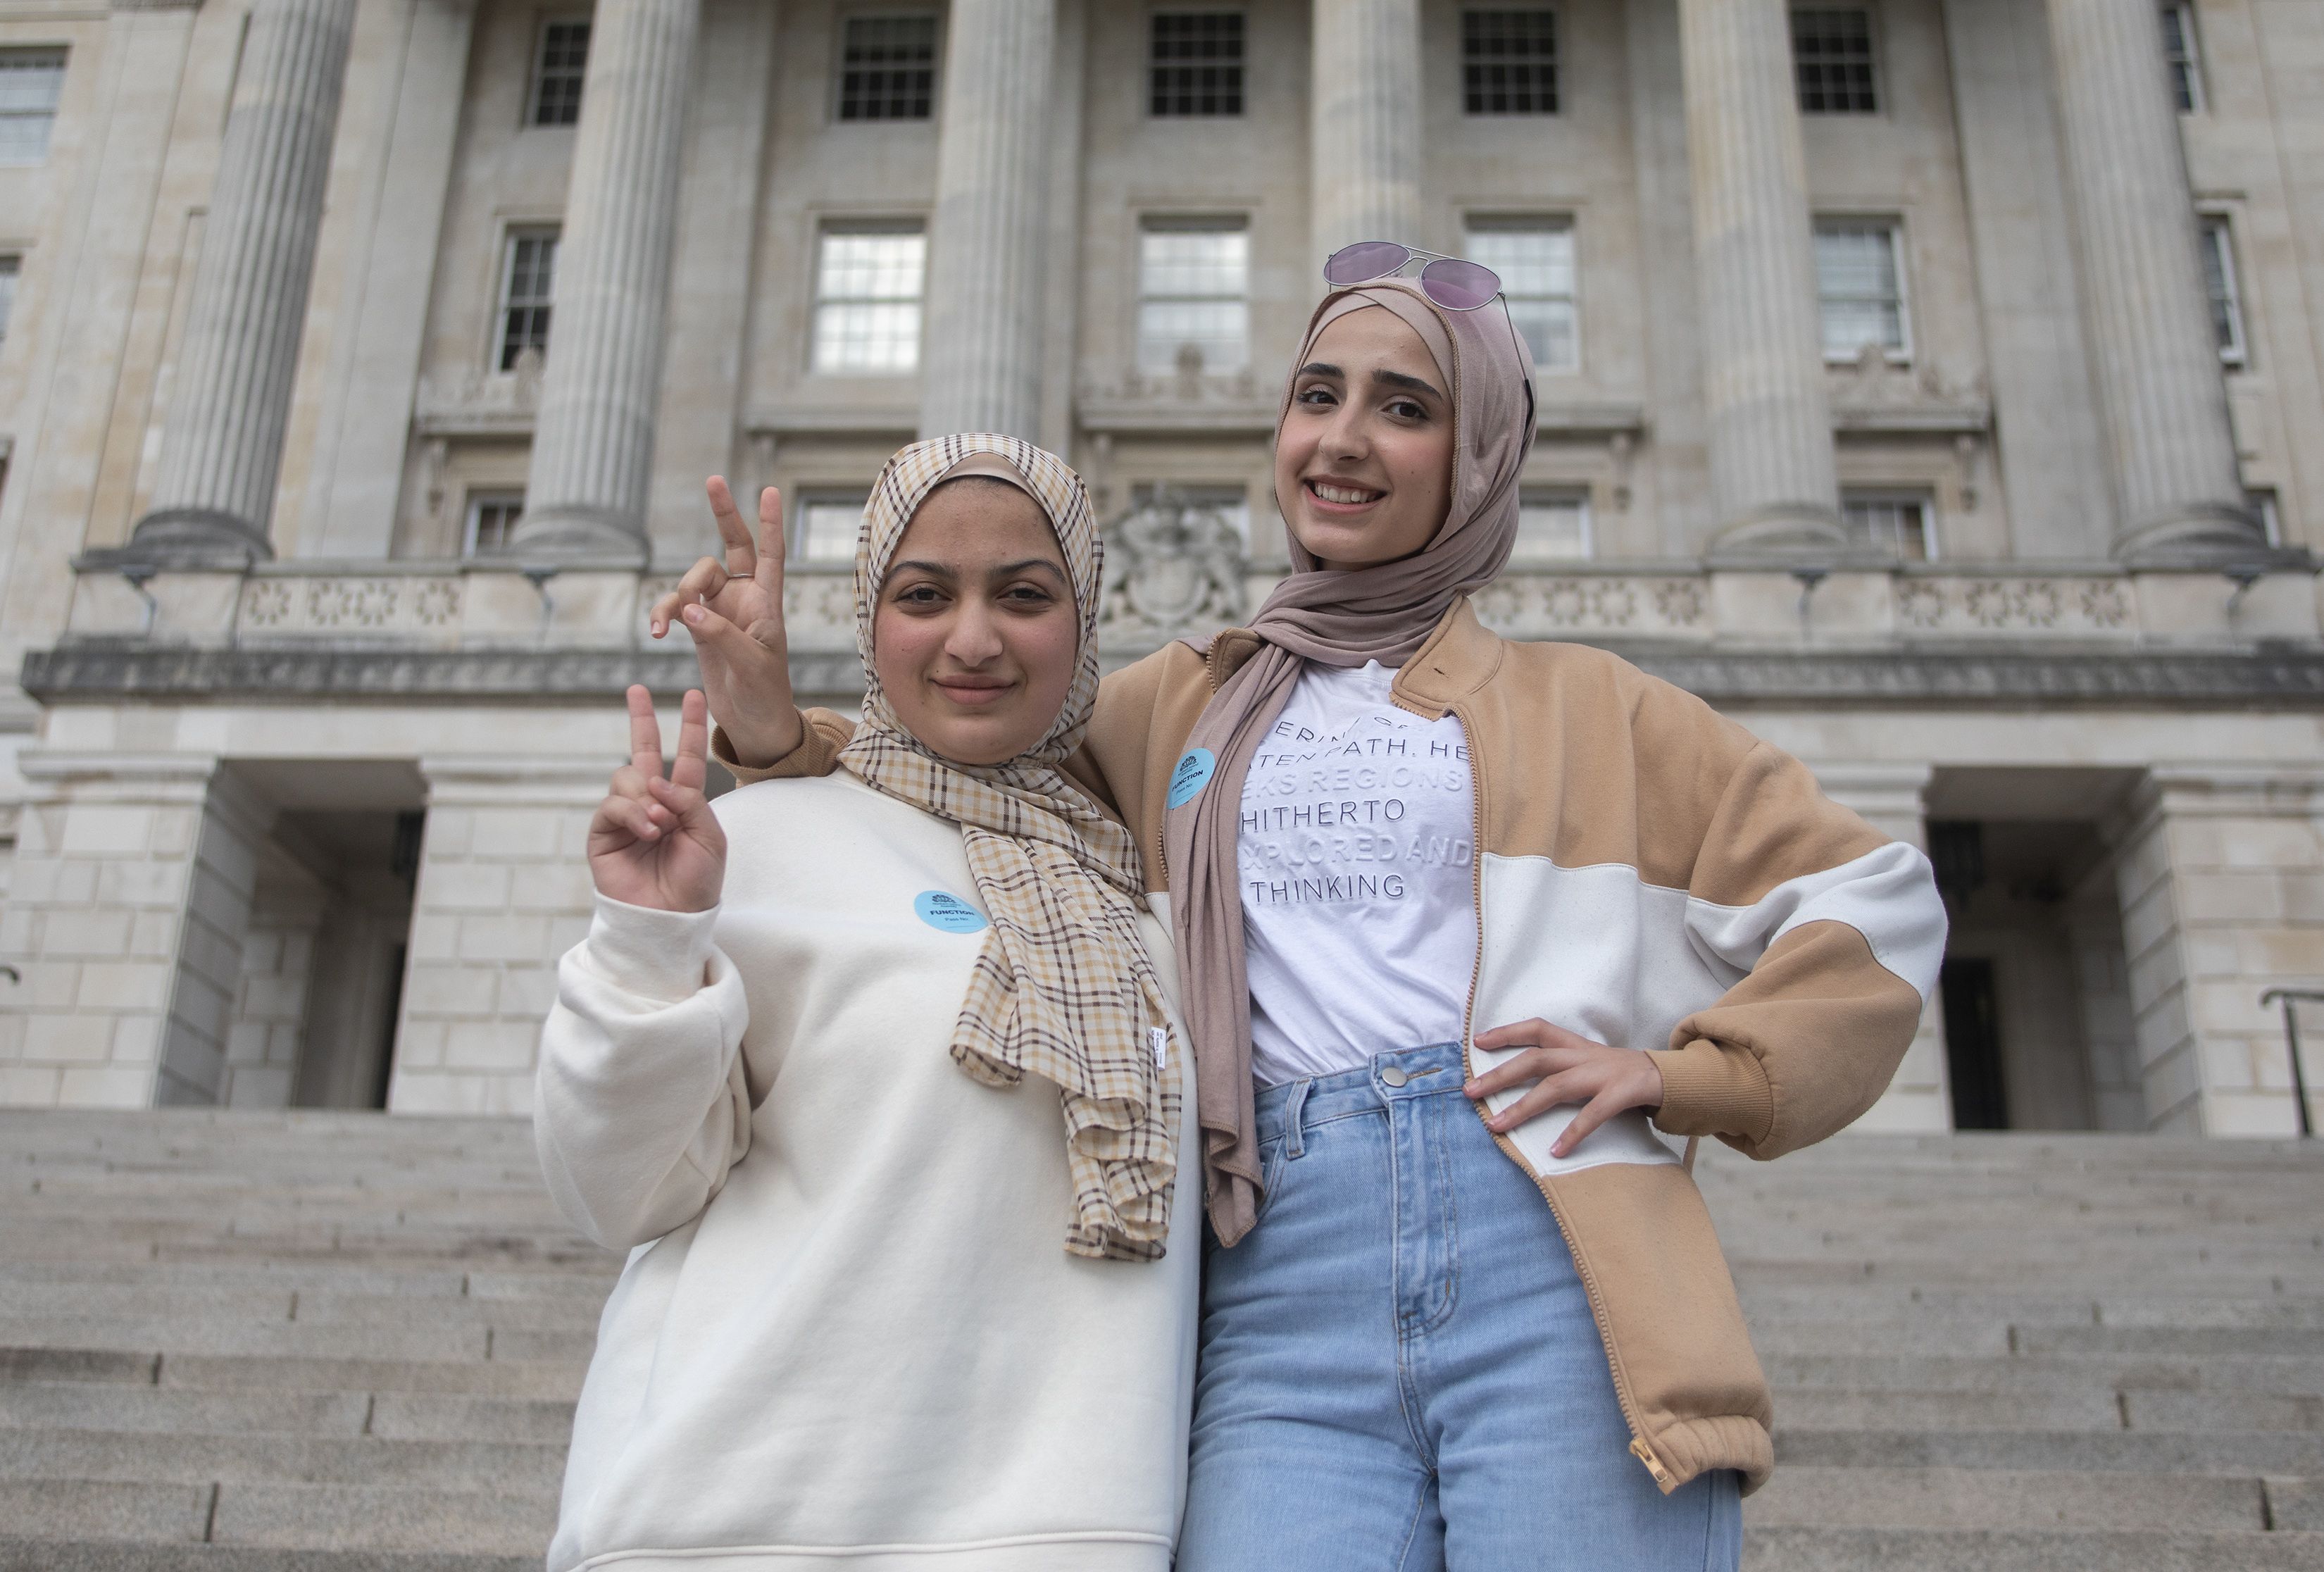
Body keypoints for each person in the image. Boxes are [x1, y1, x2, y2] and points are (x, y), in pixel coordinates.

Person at [672, 260, 1947, 1569]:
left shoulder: (1598, 707)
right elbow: (951, 775)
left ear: (1477, 455)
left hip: (1550, 1255)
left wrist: (1690, 1076)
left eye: (1404, 407)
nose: (1342, 438)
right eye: (1318, 396)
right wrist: (769, 729)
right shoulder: (1168, 706)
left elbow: (1874, 899)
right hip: (1275, 1273)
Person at [539, 434, 1199, 1572]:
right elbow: (615, 1191)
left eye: (1025, 595)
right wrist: (647, 943)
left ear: (1086, 620)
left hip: (1064, 1533)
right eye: (925, 595)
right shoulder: (753, 838)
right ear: (868, 619)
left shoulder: (1147, 908)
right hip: (728, 1527)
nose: (974, 640)